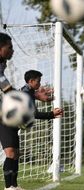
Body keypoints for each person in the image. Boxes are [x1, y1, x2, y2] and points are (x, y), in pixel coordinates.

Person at [0, 33, 54, 190]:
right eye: (9, 47)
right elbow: (7, 90)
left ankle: (13, 186)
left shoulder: (2, 62)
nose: (13, 50)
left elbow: (8, 90)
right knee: (11, 152)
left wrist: (35, 95)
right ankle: (10, 187)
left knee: (14, 153)